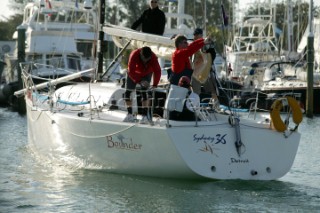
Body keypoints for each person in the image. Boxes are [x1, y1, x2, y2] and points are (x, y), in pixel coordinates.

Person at [123, 46, 161, 123]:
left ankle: (145, 116)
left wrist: (155, 85)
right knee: (128, 93)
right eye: (144, 59)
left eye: (148, 60)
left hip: (147, 73)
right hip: (134, 73)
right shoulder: (134, 54)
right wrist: (140, 81)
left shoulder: (153, 57)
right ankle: (130, 114)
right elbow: (131, 71)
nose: (145, 62)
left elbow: (157, 71)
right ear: (141, 55)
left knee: (144, 92)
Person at [191, 28, 220, 108]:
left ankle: (216, 106)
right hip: (196, 71)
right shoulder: (194, 44)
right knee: (196, 90)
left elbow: (208, 51)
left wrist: (207, 42)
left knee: (212, 89)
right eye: (195, 35)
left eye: (197, 34)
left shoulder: (206, 44)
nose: (195, 36)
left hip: (207, 70)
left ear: (201, 35)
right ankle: (195, 106)